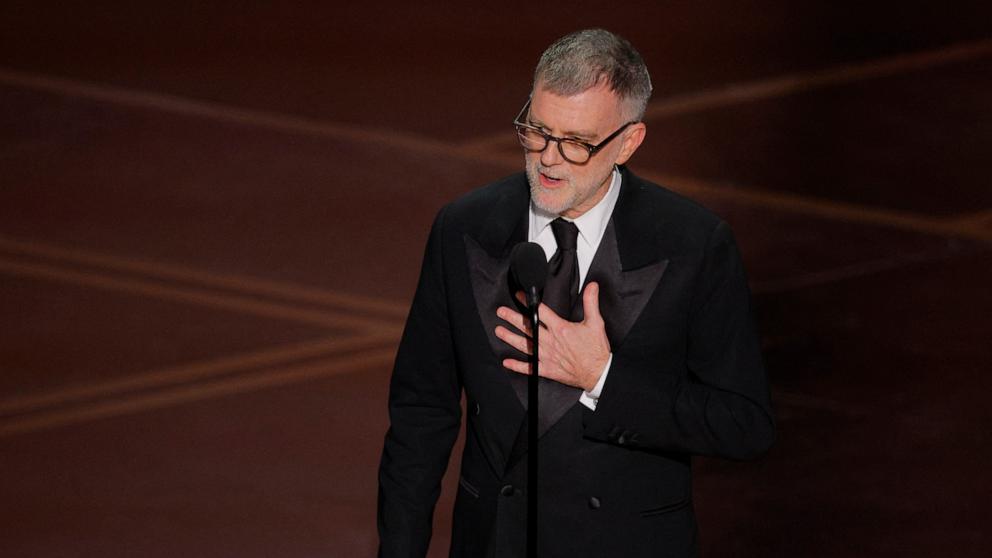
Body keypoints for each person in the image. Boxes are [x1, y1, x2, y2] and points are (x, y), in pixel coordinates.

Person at [378, 29, 775, 558]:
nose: (549, 159)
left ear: (629, 142)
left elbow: (743, 424)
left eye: (577, 142)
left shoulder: (693, 245)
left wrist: (601, 378)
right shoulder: (463, 228)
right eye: (537, 131)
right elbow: (421, 414)